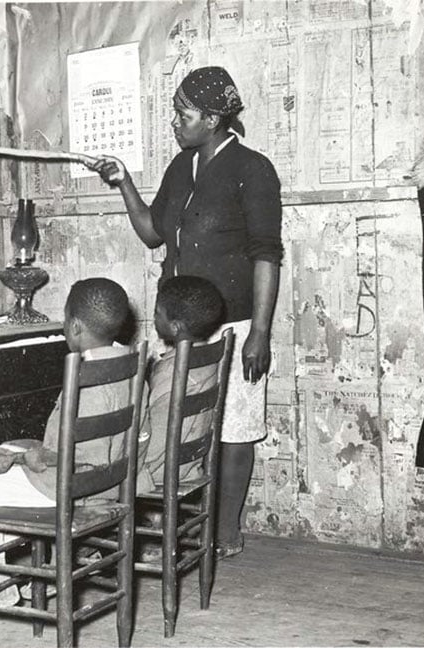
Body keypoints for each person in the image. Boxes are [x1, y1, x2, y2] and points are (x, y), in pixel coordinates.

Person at [89, 66, 283, 559]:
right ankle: (176, 526)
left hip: (233, 327)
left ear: (214, 118)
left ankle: (226, 532)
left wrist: (259, 332)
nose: (175, 122)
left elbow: (266, 254)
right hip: (176, 327)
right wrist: (123, 182)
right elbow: (154, 233)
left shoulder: (252, 169)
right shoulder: (182, 167)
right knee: (174, 427)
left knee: (235, 429)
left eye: (184, 114)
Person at [0, 277, 142, 606]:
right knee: (14, 451)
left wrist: (29, 456)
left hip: (71, 488)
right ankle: (39, 573)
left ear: (75, 326)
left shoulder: (82, 377)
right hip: (113, 483)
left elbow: (66, 457)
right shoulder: (131, 364)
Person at [136, 275, 225, 494]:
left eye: (157, 313)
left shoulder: (173, 372)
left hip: (156, 472)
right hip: (189, 468)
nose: (154, 317)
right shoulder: (207, 361)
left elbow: (152, 442)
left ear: (175, 327)